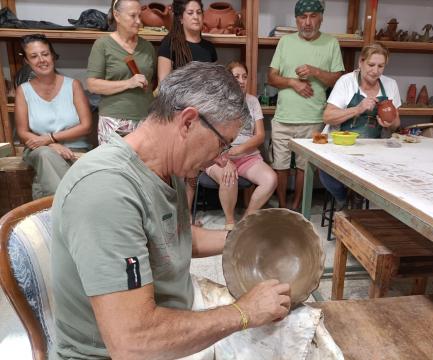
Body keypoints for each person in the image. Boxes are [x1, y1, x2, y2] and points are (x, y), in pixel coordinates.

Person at [50, 62, 291, 359]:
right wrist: (243, 313)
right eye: (222, 144)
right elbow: (132, 343)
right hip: (124, 349)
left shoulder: (166, 168)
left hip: (171, 315)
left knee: (290, 329)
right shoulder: (105, 191)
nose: (220, 159)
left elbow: (173, 237)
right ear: (188, 122)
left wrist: (247, 238)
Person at [268, 0, 344, 210]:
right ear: (296, 20)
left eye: (312, 16)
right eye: (303, 17)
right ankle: (283, 207)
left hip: (314, 119)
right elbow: (271, 77)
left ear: (321, 18)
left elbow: (337, 80)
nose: (307, 22)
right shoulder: (285, 42)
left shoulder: (331, 43)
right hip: (283, 117)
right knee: (280, 166)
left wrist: (315, 71)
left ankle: (297, 206)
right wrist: (293, 82)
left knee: (305, 166)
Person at [320, 42, 401, 208]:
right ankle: (343, 199)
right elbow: (327, 116)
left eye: (381, 66)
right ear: (361, 62)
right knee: (324, 170)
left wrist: (389, 123)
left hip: (373, 147)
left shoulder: (390, 85)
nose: (375, 71)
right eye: (371, 65)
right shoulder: (346, 82)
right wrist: (358, 108)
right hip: (341, 145)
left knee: (390, 168)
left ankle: (359, 197)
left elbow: (397, 124)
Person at [157, 0, 218, 213]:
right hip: (176, 116)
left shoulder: (209, 48)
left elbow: (212, 85)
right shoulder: (170, 44)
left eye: (199, 12)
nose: (196, 17)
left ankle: (184, 219)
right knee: (173, 171)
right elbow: (164, 84)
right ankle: (168, 217)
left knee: (192, 170)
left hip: (202, 117)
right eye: (190, 13)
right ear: (181, 17)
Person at [14, 34, 91, 200]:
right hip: (39, 149)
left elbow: (86, 126)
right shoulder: (23, 90)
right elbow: (22, 131)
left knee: (43, 182)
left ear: (53, 56)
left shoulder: (73, 85)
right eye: (34, 56)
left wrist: (50, 138)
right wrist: (51, 145)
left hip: (75, 151)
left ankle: (48, 209)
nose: (41, 60)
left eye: (45, 54)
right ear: (27, 62)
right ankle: (71, 203)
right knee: (45, 155)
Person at [206, 62, 277, 230]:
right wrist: (226, 158)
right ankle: (230, 223)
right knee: (229, 177)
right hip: (217, 157)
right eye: (236, 76)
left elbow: (260, 135)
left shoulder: (252, 101)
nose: (241, 80)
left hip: (247, 156)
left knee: (271, 179)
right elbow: (208, 138)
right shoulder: (215, 102)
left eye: (244, 76)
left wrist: (240, 149)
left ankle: (246, 220)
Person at [86, 0, 156, 145]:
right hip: (114, 120)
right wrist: (128, 83)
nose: (138, 21)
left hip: (145, 120)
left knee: (142, 166)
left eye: (140, 16)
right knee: (114, 166)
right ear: (117, 16)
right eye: (132, 16)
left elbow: (152, 83)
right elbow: (92, 85)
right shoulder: (102, 45)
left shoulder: (148, 47)